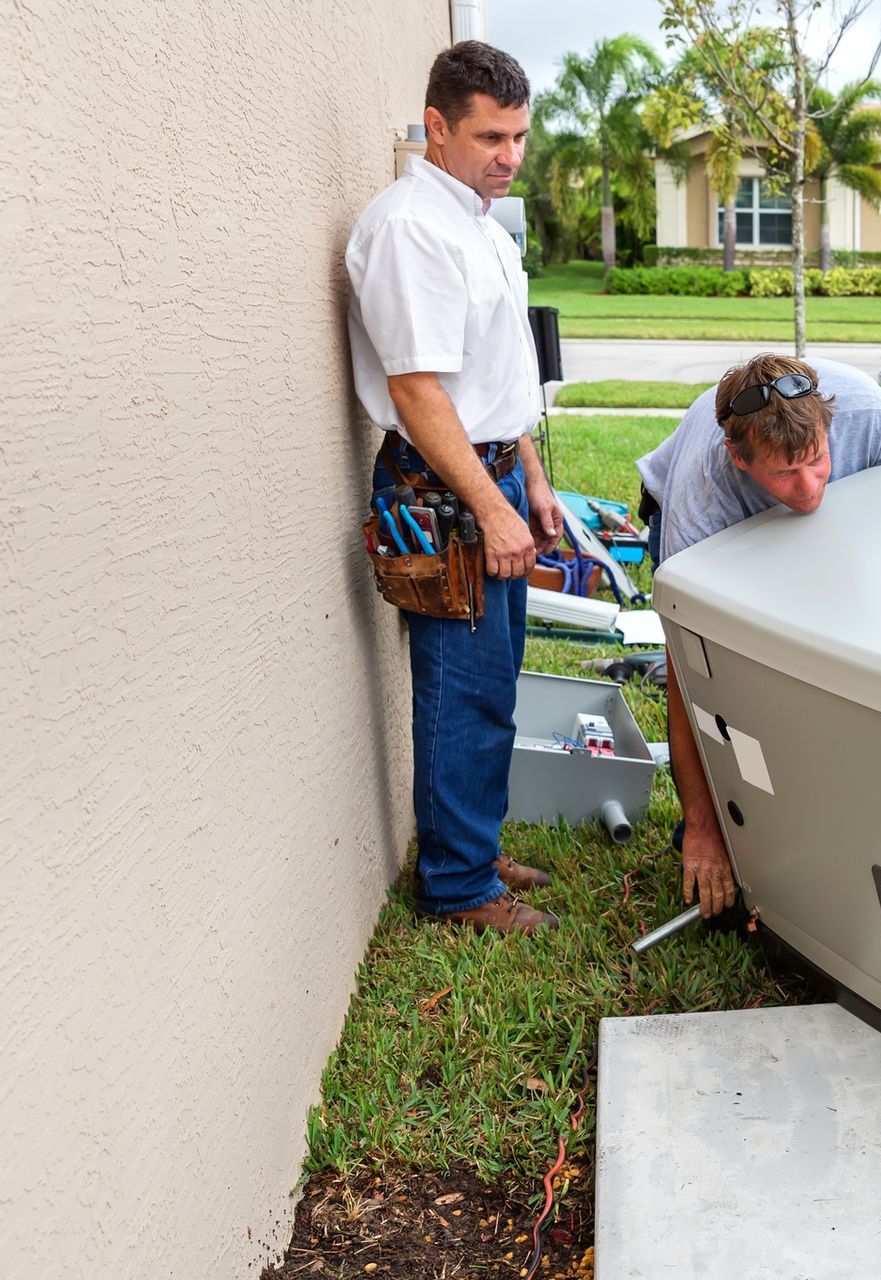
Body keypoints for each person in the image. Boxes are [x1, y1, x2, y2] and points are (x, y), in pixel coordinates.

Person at [346, 42, 567, 935]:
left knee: (495, 681)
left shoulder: (478, 219)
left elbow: (496, 374)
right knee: (460, 686)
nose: (509, 154)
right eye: (489, 136)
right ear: (436, 128)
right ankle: (457, 888)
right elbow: (418, 391)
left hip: (493, 472)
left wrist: (533, 482)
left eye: (518, 135)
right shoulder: (411, 230)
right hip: (442, 485)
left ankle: (470, 844)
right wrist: (488, 502)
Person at [638, 354, 881, 917]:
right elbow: (687, 670)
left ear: (831, 430)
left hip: (845, 522)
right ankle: (721, 830)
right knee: (737, 678)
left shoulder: (871, 416)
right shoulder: (702, 496)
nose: (807, 488)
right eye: (784, 473)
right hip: (720, 534)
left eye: (818, 461)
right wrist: (704, 831)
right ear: (737, 457)